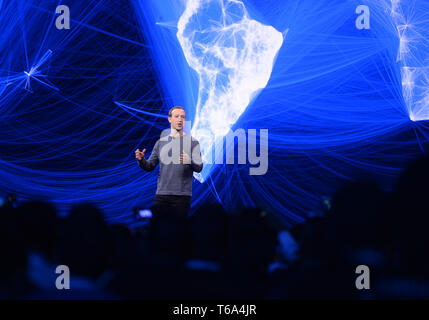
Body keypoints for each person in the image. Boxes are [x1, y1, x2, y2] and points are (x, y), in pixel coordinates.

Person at [135, 106, 203, 220]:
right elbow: (149, 166)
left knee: (179, 232)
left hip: (182, 197)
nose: (180, 119)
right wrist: (141, 160)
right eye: (177, 116)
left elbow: (199, 167)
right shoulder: (160, 143)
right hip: (162, 196)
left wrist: (189, 161)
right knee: (159, 230)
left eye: (183, 117)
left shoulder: (193, 143)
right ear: (169, 119)